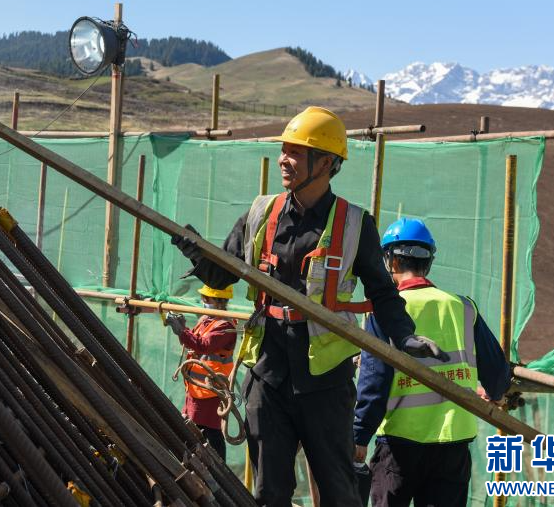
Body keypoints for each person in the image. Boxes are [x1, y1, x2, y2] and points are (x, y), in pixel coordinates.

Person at [172, 106, 446, 506]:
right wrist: (193, 247)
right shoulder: (261, 214)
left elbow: (383, 293)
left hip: (325, 381)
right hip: (268, 375)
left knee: (339, 493)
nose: (284, 159)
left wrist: (405, 336)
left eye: (296, 152)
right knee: (269, 493)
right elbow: (222, 274)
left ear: (327, 163)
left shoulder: (354, 224)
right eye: (284, 150)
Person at [354, 218, 512, 507]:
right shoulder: (464, 307)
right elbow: (496, 372)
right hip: (453, 445)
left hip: (400, 444)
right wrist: (496, 392)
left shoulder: (384, 312)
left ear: (391, 261)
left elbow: (374, 380)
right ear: (428, 261)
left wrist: (360, 435)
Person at [165, 284, 237, 461]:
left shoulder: (225, 326)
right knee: (193, 430)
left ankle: (218, 473)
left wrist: (181, 331)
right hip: (196, 390)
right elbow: (194, 340)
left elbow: (203, 346)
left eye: (207, 298)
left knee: (210, 434)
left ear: (219, 301)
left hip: (210, 392)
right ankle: (197, 467)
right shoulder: (206, 320)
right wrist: (183, 329)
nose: (203, 301)